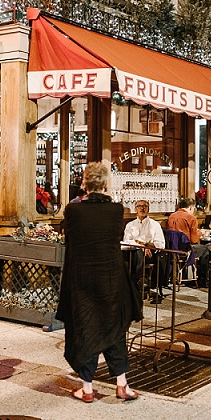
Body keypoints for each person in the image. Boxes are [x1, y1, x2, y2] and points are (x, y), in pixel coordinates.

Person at [56, 162, 142, 403]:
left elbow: (70, 240)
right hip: (111, 280)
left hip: (82, 279)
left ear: (84, 183)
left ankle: (87, 388)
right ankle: (122, 385)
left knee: (85, 329)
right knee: (114, 329)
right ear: (105, 184)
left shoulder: (73, 211)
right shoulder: (117, 211)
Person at [123, 200, 166, 299]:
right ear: (135, 209)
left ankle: (141, 280)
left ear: (148, 209)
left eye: (145, 206)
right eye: (139, 206)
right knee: (137, 253)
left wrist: (147, 245)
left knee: (140, 253)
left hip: (151, 255)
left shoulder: (155, 225)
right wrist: (141, 246)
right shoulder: (130, 225)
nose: (142, 208)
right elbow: (126, 241)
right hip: (132, 255)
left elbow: (161, 244)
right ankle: (140, 280)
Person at [167, 198, 209, 287]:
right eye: (193, 208)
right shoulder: (191, 218)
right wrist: (201, 232)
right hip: (185, 251)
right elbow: (193, 240)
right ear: (190, 207)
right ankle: (203, 279)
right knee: (205, 249)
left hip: (172, 250)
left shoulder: (171, 216)